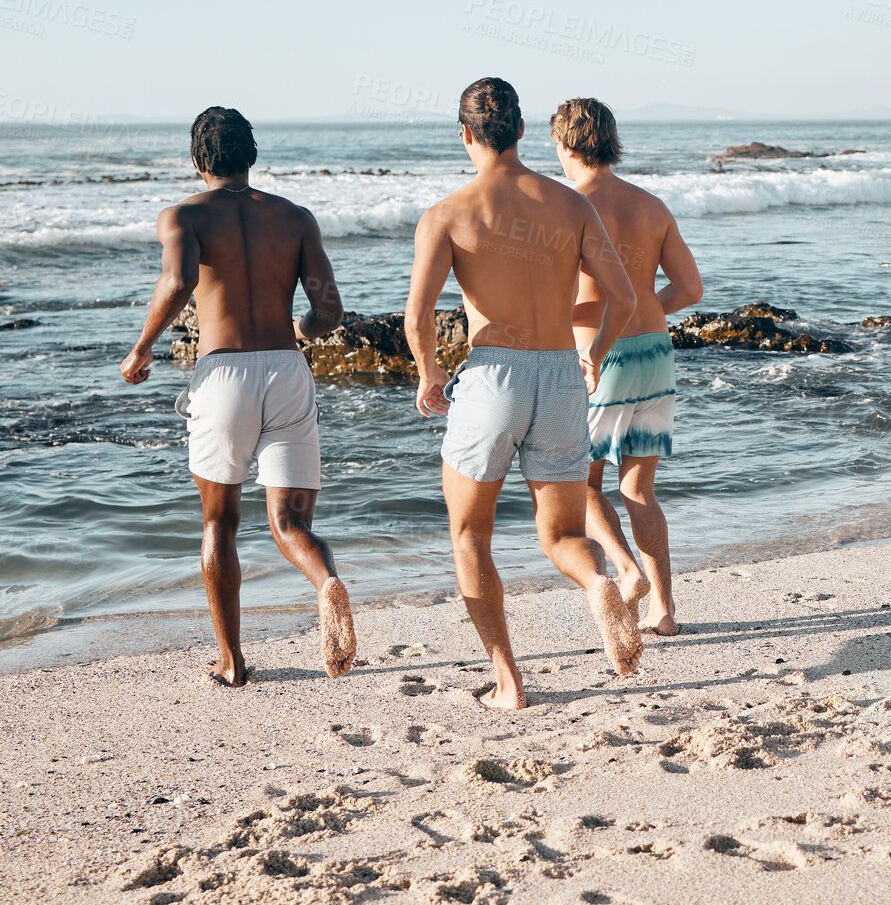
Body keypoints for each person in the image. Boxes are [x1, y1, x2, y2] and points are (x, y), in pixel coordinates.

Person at [404, 77, 641, 709]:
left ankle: (509, 682)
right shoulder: (571, 206)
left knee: (469, 536)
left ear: (466, 135)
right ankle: (597, 582)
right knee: (563, 535)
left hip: (492, 378)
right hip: (561, 373)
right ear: (522, 132)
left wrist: (429, 373)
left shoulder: (448, 214)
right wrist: (592, 355)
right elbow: (626, 297)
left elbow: (418, 316)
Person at [119, 107, 355, 687]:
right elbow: (330, 311)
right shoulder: (297, 218)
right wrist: (300, 331)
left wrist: (144, 346)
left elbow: (178, 282)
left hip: (222, 374)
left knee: (220, 521)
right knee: (291, 522)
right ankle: (326, 583)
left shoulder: (182, 216)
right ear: (251, 156)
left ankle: (231, 661)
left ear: (198, 161)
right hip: (287, 371)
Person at [551, 98, 703, 637]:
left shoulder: (570, 207)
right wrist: (645, 307)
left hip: (600, 356)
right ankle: (664, 612)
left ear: (566, 145)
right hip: (655, 354)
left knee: (580, 482)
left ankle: (626, 568)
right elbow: (690, 288)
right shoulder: (651, 205)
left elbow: (555, 297)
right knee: (639, 488)